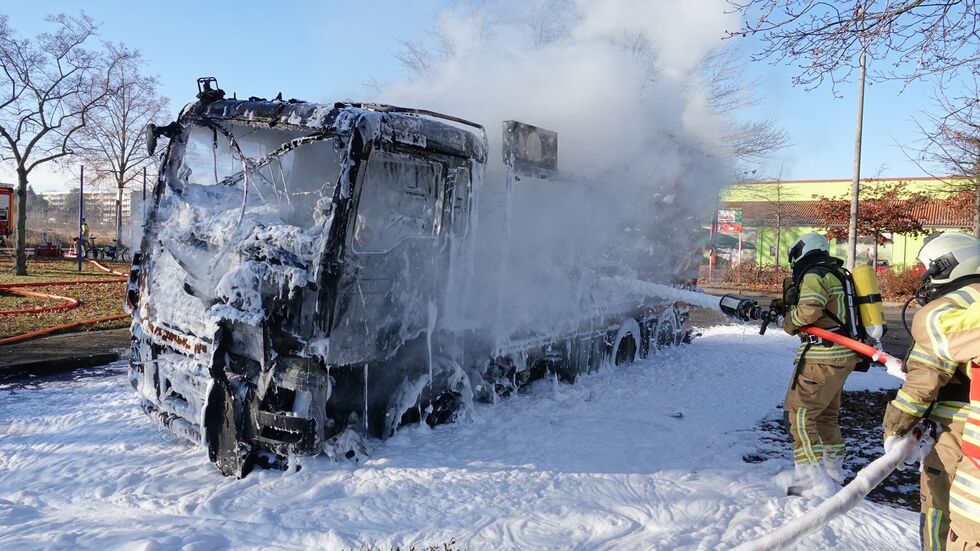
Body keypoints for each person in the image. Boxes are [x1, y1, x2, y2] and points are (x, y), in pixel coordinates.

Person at [882, 233, 980, 550]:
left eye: (927, 269)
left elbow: (922, 382)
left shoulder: (944, 310)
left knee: (942, 513)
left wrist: (894, 429)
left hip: (959, 437)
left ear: (946, 264)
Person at [781, 232, 860, 496]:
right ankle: (834, 469)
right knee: (826, 414)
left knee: (801, 414)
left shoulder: (814, 274)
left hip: (821, 357)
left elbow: (810, 310)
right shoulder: (836, 273)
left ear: (801, 251)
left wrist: (788, 322)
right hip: (842, 355)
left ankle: (810, 479)